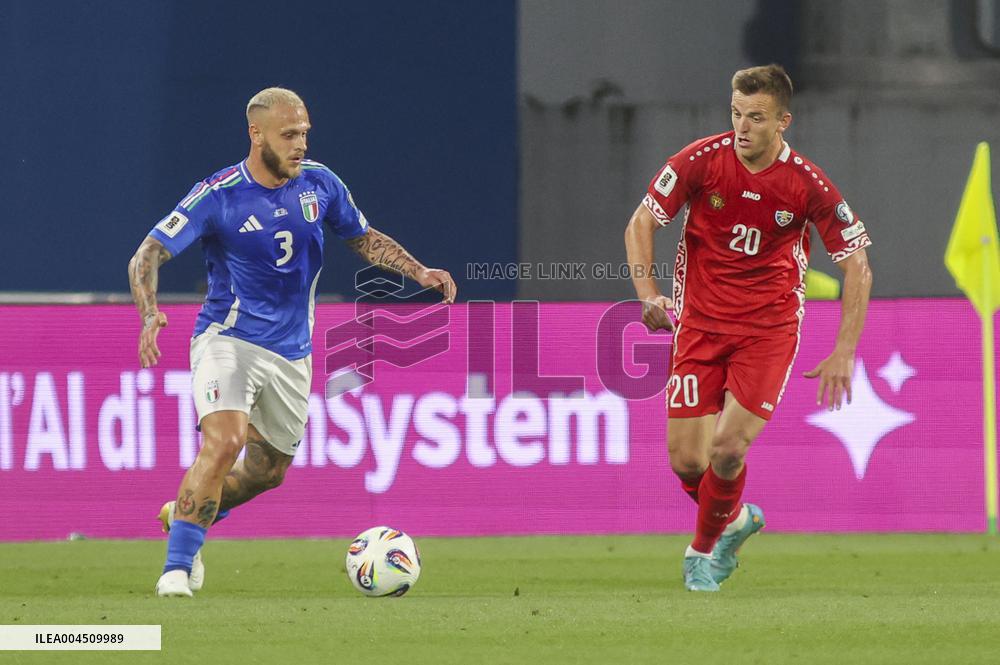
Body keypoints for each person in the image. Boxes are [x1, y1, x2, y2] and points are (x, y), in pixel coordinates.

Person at [127, 87, 456, 597]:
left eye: (304, 133)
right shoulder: (217, 195)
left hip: (292, 351)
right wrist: (150, 314)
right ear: (256, 134)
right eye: (289, 135)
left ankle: (186, 515)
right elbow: (147, 254)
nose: (300, 144)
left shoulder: (320, 184)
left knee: (267, 471)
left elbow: (363, 237)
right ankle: (177, 568)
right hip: (228, 340)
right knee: (225, 441)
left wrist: (417, 270)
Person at [623, 64, 872, 592]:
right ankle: (734, 521)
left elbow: (857, 264)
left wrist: (844, 350)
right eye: (736, 113)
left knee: (728, 448)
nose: (742, 127)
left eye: (756, 118)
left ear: (783, 121)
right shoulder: (699, 161)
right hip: (698, 326)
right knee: (687, 460)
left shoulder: (808, 184)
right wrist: (647, 294)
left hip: (768, 330)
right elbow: (641, 221)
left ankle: (701, 553)